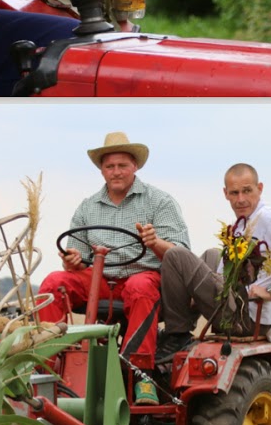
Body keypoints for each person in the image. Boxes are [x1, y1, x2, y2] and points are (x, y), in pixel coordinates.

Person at [37, 132, 190, 371]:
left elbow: (181, 253)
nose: (116, 171)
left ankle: (138, 374)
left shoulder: (159, 201)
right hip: (98, 279)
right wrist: (73, 261)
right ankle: (46, 367)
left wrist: (155, 242)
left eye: (122, 165)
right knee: (54, 282)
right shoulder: (87, 207)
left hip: (143, 277)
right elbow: (74, 254)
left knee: (140, 287)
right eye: (110, 166)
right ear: (102, 170)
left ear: (135, 166)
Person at [151, 163, 271, 368]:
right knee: (211, 255)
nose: (241, 199)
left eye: (247, 191)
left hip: (245, 316)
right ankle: (176, 316)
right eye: (234, 192)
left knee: (176, 255)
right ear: (225, 193)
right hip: (235, 302)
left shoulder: (269, 218)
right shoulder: (242, 223)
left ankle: (176, 333)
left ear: (260, 188)